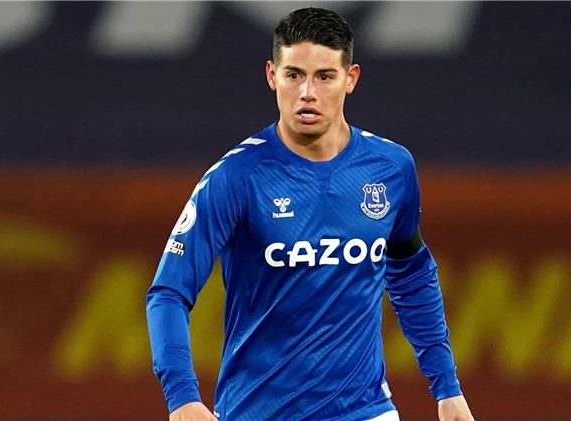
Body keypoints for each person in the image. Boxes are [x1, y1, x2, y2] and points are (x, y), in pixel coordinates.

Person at [146, 7, 474, 421]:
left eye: (324, 76)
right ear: (272, 76)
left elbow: (411, 275)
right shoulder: (236, 177)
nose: (307, 93)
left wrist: (447, 387)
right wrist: (182, 398)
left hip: (365, 411)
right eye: (294, 75)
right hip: (258, 412)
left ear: (350, 79)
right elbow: (168, 293)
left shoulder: (391, 168)